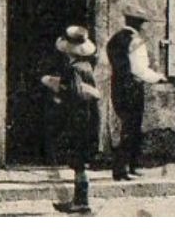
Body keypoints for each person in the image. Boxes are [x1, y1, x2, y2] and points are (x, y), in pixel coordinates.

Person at [106, 7, 170, 180]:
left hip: (117, 86)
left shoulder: (114, 39)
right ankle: (123, 169)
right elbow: (140, 69)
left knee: (126, 125)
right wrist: (158, 78)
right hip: (132, 87)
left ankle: (129, 166)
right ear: (138, 24)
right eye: (142, 23)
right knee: (132, 127)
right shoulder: (136, 42)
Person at [45, 26, 101, 215]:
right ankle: (79, 200)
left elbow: (75, 93)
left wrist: (54, 85)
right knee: (80, 162)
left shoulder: (73, 69)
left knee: (79, 162)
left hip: (80, 119)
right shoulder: (86, 66)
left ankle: (82, 202)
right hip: (88, 117)